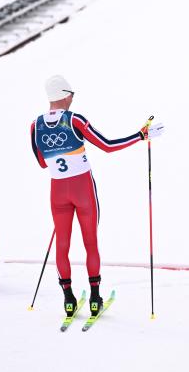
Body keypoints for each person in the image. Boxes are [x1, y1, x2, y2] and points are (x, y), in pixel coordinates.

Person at [30, 75, 163, 317]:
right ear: (65, 94)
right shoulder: (74, 119)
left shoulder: (35, 125)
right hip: (82, 190)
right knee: (90, 242)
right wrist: (140, 136)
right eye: (71, 94)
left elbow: (41, 163)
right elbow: (107, 146)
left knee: (62, 245)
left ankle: (68, 300)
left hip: (57, 192)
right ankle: (94, 297)